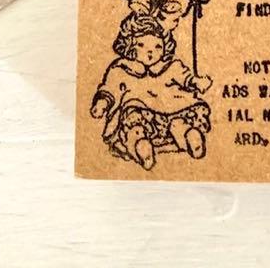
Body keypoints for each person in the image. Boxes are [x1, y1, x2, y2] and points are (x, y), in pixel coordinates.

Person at [90, 13, 211, 170]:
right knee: (134, 126)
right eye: (142, 45)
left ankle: (189, 137)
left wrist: (196, 82)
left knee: (178, 123)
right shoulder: (121, 69)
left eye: (157, 47)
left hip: (172, 107)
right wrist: (102, 103)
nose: (150, 52)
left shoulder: (170, 66)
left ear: (165, 47)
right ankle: (140, 147)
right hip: (138, 110)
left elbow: (185, 77)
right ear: (130, 46)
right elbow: (110, 88)